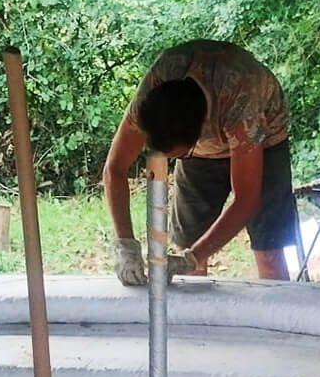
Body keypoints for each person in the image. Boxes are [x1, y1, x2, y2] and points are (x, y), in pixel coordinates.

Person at [103, 40, 296, 285]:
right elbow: (114, 169)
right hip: (199, 152)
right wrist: (125, 245)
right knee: (186, 253)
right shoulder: (153, 91)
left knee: (269, 254)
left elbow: (246, 199)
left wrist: (192, 258)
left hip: (265, 141)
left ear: (201, 129)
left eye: (179, 155)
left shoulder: (241, 99)